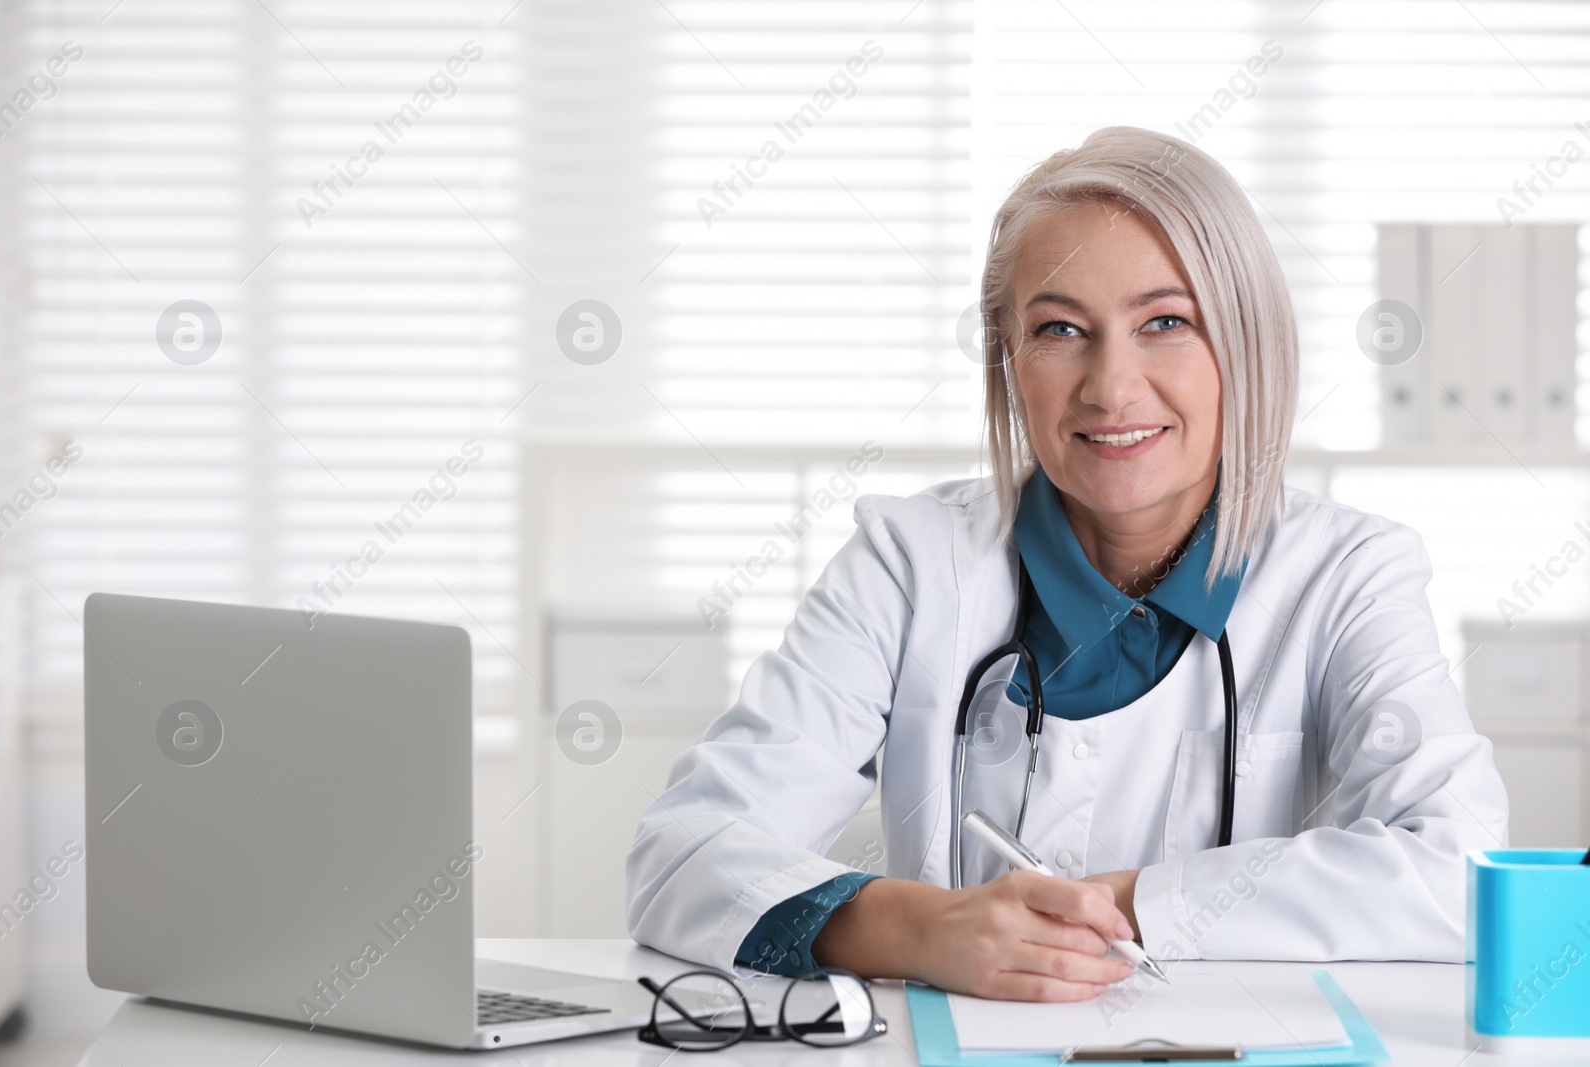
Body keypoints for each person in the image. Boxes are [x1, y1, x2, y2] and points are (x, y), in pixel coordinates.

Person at [625, 126, 1508, 1002]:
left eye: (1166, 321)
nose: (1111, 387)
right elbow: (685, 851)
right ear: (1008, 357)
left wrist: (1114, 906)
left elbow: (1464, 870)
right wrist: (922, 928)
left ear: (1248, 342)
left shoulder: (1348, 573)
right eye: (1060, 329)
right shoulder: (910, 561)